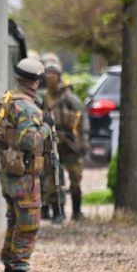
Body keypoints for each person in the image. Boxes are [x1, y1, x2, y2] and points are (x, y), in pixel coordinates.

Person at [0, 57, 52, 272]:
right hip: (24, 174)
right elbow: (29, 140)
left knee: (14, 222)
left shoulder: (7, 99)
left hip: (10, 171)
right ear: (36, 81)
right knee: (28, 225)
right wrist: (46, 127)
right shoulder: (27, 106)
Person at [43, 60, 88, 220]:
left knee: (75, 177)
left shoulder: (68, 96)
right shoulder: (43, 97)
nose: (50, 77)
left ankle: (76, 211)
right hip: (51, 143)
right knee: (52, 178)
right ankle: (57, 211)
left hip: (70, 143)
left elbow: (82, 117)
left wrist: (84, 141)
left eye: (53, 74)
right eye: (48, 73)